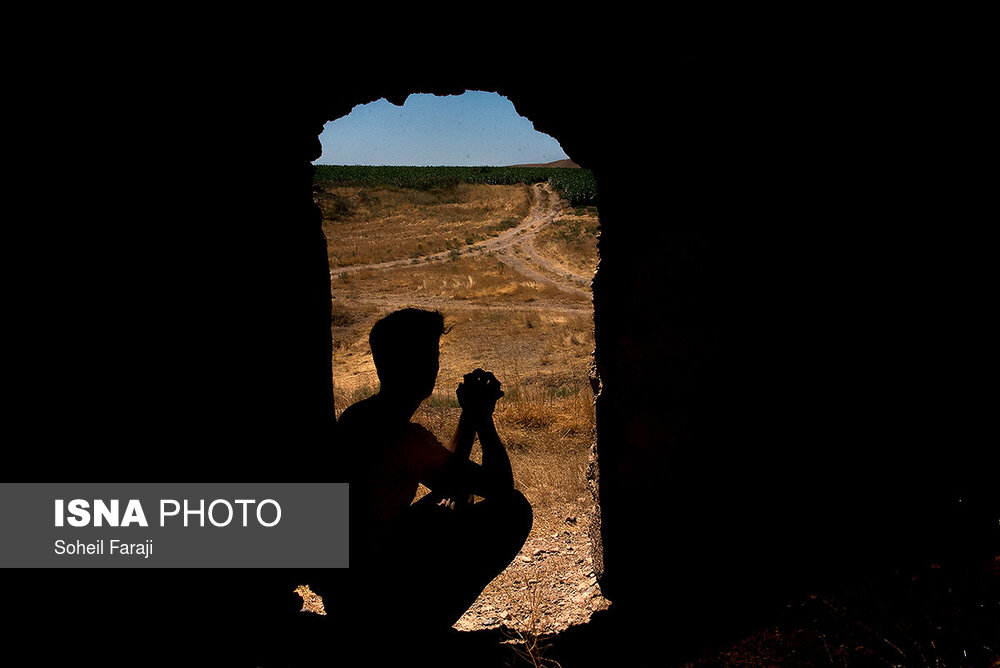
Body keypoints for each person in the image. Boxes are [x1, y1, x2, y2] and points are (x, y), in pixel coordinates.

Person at [337, 308, 533, 633]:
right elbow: (499, 486)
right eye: (432, 355)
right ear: (422, 367)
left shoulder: (357, 417)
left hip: (352, 580)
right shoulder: (404, 438)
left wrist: (467, 417)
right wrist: (483, 418)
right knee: (513, 511)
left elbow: (452, 481)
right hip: (377, 582)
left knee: (447, 506)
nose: (435, 364)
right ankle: (423, 626)